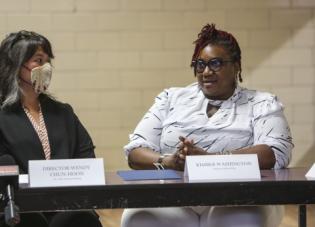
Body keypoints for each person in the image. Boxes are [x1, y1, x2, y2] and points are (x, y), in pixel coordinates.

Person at [121, 24, 293, 227]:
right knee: (139, 219)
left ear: (236, 65)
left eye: (216, 63)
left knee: (241, 219)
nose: (206, 72)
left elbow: (276, 152)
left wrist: (209, 161)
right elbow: (135, 151)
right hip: (173, 197)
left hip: (241, 195)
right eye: (200, 65)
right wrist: (169, 161)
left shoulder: (262, 103)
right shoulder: (171, 98)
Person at [0, 31, 102, 227]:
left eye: (48, 61)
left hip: (66, 205)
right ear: (15, 65)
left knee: (80, 219)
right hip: (19, 208)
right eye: (38, 60)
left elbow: (85, 157)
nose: (46, 68)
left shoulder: (63, 112)